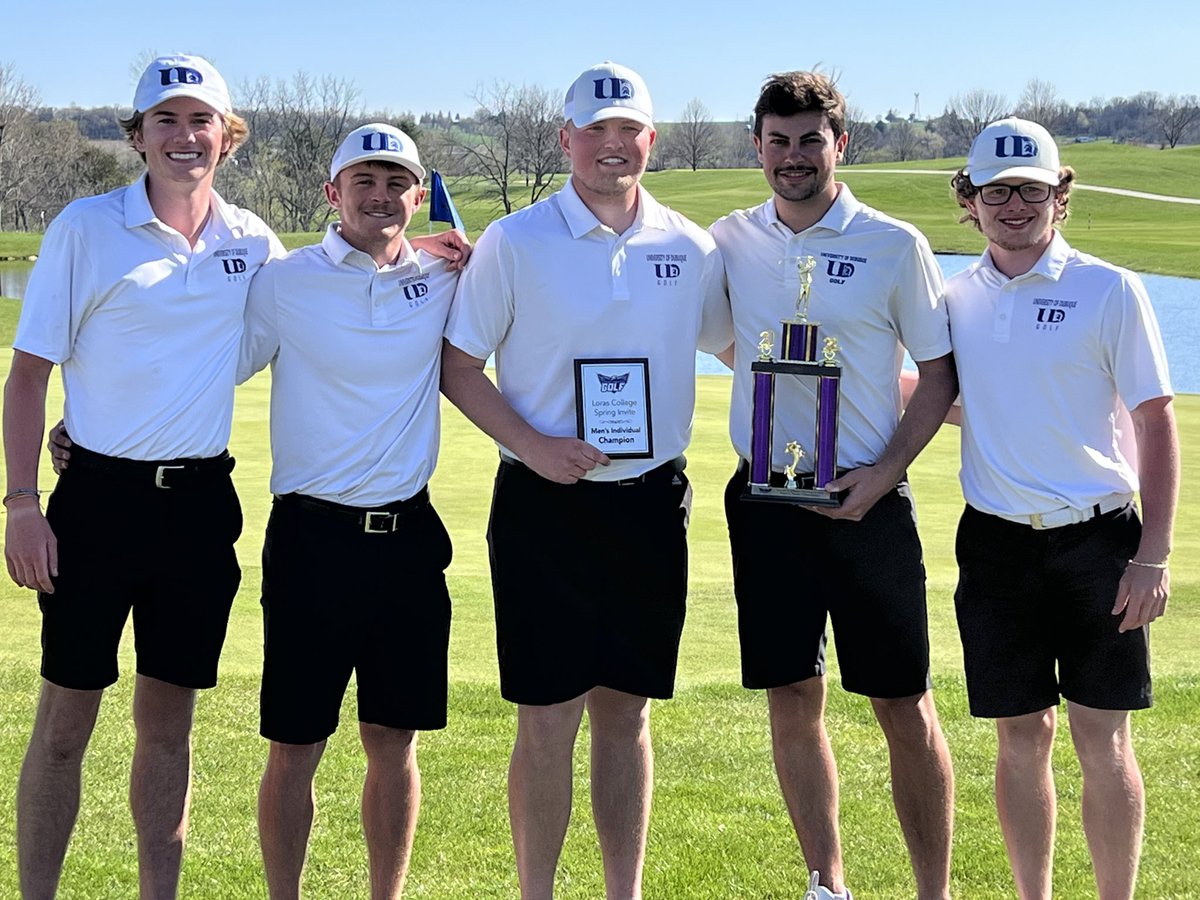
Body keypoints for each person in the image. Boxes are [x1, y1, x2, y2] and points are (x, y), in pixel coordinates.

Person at [440, 61, 730, 899]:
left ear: (651, 139)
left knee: (627, 715)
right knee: (544, 719)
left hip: (650, 505)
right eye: (593, 131)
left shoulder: (689, 245)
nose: (612, 145)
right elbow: (460, 366)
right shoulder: (517, 240)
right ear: (565, 139)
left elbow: (735, 351)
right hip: (542, 506)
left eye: (627, 130)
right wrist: (531, 444)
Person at [3, 55, 283, 899]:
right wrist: (23, 502)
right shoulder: (85, 230)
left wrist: (423, 253)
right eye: (165, 120)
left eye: (202, 121)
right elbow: (28, 375)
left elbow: (338, 282)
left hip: (199, 510)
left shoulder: (253, 243)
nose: (185, 136)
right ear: (136, 137)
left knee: (168, 730)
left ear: (226, 140)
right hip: (94, 507)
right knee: (63, 725)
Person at [710, 71, 956, 900]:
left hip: (868, 506)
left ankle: (933, 891)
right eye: (777, 141)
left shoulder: (894, 245)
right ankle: (827, 884)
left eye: (810, 139)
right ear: (757, 147)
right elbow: (721, 341)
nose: (793, 157)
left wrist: (884, 474)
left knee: (903, 705)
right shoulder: (730, 241)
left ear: (839, 144)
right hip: (766, 505)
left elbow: (939, 371)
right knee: (792, 692)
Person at [946, 117, 1178, 900]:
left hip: (1100, 544)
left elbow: (1155, 421)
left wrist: (1153, 553)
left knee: (1103, 736)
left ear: (1060, 195)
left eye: (1033, 189)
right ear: (970, 199)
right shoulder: (953, 298)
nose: (1016, 205)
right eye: (998, 190)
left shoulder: (1110, 288)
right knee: (1020, 738)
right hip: (995, 547)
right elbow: (960, 400)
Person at [237, 122, 460, 900]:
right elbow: (208, 367)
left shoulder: (444, 278)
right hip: (310, 539)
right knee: (295, 744)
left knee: (393, 742)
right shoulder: (283, 281)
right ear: (332, 194)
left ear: (419, 194)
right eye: (363, 181)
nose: (381, 195)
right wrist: (81, 421)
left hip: (407, 539)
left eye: (398, 181)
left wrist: (468, 251)